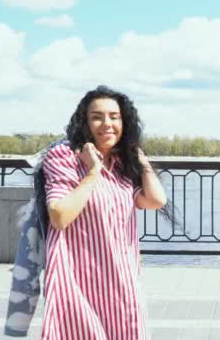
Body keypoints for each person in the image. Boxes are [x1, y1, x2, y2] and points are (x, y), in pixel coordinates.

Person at [40, 85, 166, 339]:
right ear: (84, 122)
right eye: (97, 116)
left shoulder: (120, 163)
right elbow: (60, 217)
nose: (106, 123)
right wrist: (93, 171)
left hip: (122, 285)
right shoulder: (64, 157)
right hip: (78, 285)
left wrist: (143, 163)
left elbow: (155, 200)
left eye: (114, 116)